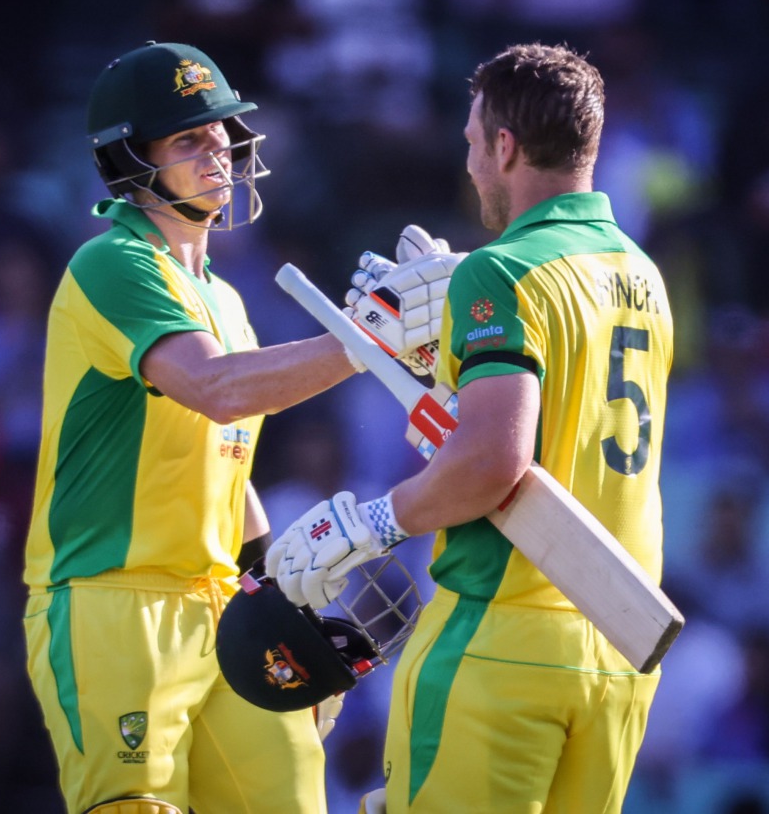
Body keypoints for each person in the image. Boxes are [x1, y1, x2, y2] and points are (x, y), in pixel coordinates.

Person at [21, 41, 455, 814]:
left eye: (222, 132)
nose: (219, 150)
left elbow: (228, 464)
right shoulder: (112, 262)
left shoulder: (222, 296)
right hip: (114, 603)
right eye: (189, 138)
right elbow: (215, 391)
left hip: (222, 603)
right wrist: (370, 339)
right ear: (132, 160)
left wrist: (279, 602)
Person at [266, 43, 673, 813]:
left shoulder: (499, 272)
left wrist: (374, 522)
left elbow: (494, 459)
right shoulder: (642, 273)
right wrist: (445, 376)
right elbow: (551, 432)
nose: (471, 164)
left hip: (500, 639)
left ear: (506, 146)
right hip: (615, 650)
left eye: (472, 144)